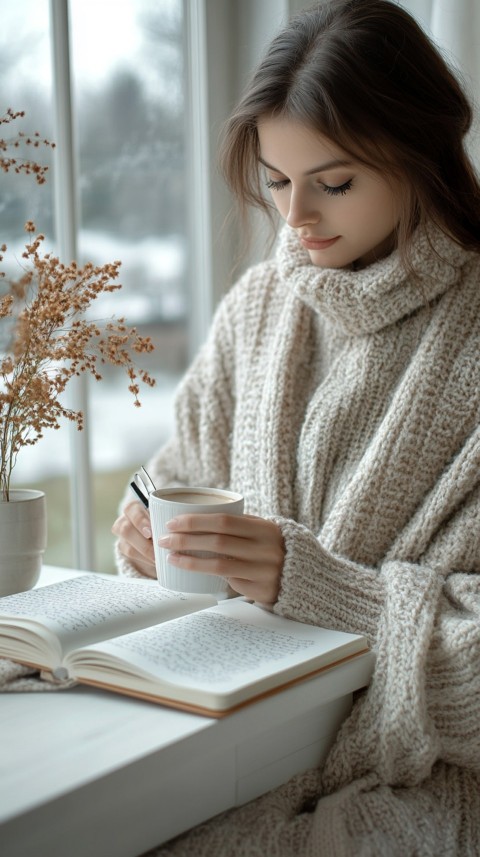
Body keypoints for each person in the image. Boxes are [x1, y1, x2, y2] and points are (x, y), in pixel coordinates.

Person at [112, 0, 480, 853]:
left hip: (417, 775)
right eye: (277, 181)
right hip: (228, 739)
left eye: (335, 181)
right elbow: (178, 474)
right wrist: (142, 532)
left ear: (420, 152)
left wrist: (319, 587)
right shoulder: (258, 309)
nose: (297, 219)